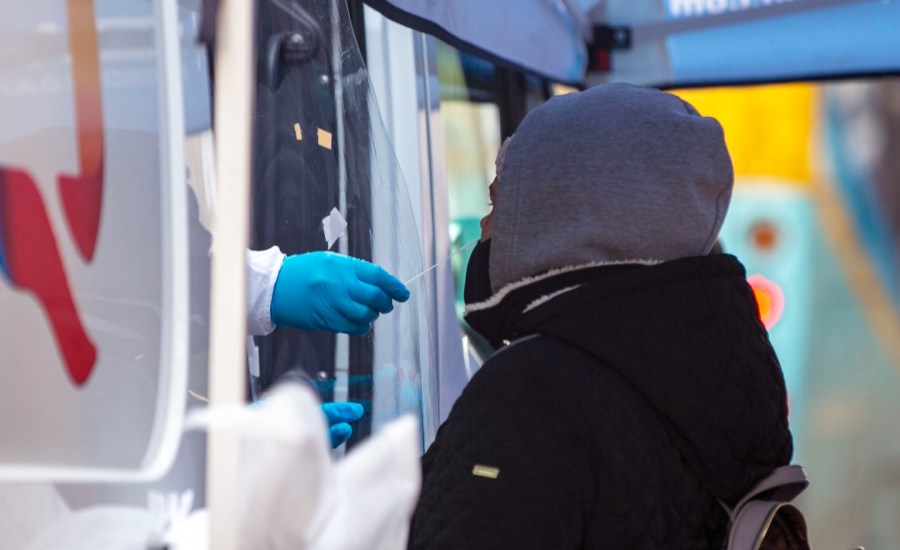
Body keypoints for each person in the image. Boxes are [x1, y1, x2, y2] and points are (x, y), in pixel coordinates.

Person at [408, 83, 794, 548]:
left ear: (563, 215)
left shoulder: (534, 390)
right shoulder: (724, 375)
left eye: (501, 203)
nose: (486, 227)